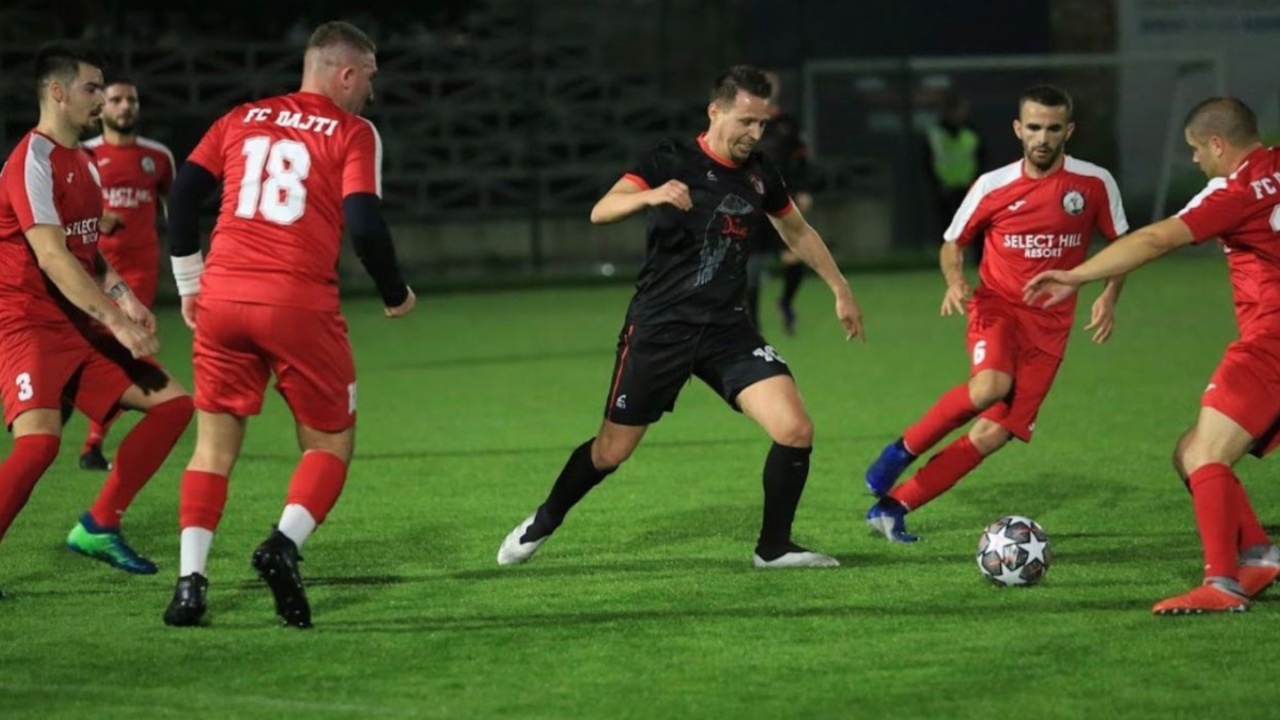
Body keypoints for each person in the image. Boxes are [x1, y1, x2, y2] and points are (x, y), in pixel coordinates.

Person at [496, 65, 864, 570]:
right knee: (611, 452)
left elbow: (796, 232)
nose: (755, 134)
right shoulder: (669, 158)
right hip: (660, 328)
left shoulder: (761, 173)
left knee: (795, 429)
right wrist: (650, 195)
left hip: (727, 332)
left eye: (763, 124)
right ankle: (544, 519)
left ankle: (773, 548)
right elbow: (600, 210)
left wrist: (840, 288)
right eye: (746, 122)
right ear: (716, 111)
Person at [161, 21, 415, 629]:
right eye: (370, 78)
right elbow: (364, 222)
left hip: (222, 294)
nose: (372, 93)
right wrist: (394, 291)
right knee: (329, 442)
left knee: (212, 448)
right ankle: (283, 543)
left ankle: (190, 585)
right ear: (346, 74)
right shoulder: (353, 131)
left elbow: (184, 195)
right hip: (297, 301)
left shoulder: (240, 117)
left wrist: (191, 284)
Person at [1024, 97, 1280, 615]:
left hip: (1271, 339)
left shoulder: (1235, 192)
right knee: (1188, 452)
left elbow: (1158, 238)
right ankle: (1259, 555)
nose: (1193, 161)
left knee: (1205, 453)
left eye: (1194, 151)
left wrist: (1077, 274)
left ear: (1216, 144)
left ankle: (1222, 584)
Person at [862, 85, 1128, 542]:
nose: (1042, 138)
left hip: (1051, 328)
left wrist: (1108, 295)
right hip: (998, 307)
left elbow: (1121, 245)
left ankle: (894, 507)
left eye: (1053, 128)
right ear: (1017, 129)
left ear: (1069, 130)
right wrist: (955, 282)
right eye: (1034, 128)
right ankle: (900, 451)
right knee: (990, 387)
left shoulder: (1094, 183)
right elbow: (953, 243)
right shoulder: (993, 185)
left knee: (992, 435)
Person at [0, 43, 194, 597]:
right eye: (91, 88)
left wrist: (126, 299)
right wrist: (119, 321)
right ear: (57, 92)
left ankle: (99, 524)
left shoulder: (82, 161)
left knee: (174, 406)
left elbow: (87, 251)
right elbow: (53, 257)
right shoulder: (30, 161)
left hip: (78, 323)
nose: (101, 99)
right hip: (26, 321)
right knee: (38, 446)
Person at [77, 78, 176, 471]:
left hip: (138, 272)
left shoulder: (157, 157)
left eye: (131, 100)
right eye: (116, 99)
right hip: (88, 268)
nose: (124, 106)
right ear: (103, 105)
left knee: (123, 351)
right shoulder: (83, 154)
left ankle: (92, 443)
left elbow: (174, 207)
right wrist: (97, 217)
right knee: (84, 348)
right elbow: (60, 206)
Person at [746, 70, 814, 336]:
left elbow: (801, 160)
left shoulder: (787, 123)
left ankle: (785, 302)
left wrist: (805, 190)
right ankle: (754, 328)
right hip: (751, 201)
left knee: (795, 258)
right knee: (750, 265)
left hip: (782, 200)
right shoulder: (745, 121)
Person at [925, 91, 986, 264]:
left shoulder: (972, 133)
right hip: (944, 187)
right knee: (947, 229)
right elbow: (927, 161)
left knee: (975, 225)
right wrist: (936, 184)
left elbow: (981, 158)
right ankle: (950, 263)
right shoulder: (935, 135)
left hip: (969, 187)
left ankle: (980, 261)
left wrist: (976, 183)